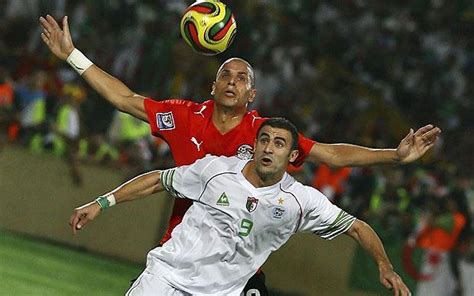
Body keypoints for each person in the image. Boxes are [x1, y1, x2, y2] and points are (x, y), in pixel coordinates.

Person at [40, 14, 439, 295]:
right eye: (225, 75)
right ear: (213, 87)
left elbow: (332, 155)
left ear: (252, 95)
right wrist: (73, 56)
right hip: (181, 247)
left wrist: (394, 156)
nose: (232, 81)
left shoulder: (267, 135)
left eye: (242, 77)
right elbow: (125, 99)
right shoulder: (183, 117)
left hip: (238, 267)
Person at [70, 118, 411, 296]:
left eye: (279, 143)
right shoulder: (215, 170)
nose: (268, 148)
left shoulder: (299, 201)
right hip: (167, 277)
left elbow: (357, 226)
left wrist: (384, 265)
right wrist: (103, 202)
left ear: (292, 157)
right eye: (264, 139)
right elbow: (159, 179)